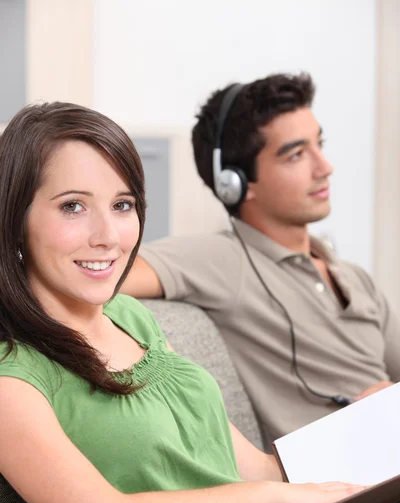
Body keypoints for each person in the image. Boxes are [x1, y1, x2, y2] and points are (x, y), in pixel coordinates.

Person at [1, 103, 399, 503]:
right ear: (14, 218)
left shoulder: (130, 317)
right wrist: (268, 498)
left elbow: (255, 468)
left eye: (122, 205)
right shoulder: (14, 379)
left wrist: (373, 439)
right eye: (72, 206)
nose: (108, 235)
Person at [122, 73, 400, 450]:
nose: (325, 167)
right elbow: (100, 277)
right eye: (297, 154)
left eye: (320, 144)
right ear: (236, 182)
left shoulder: (353, 277)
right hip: (344, 489)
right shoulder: (225, 259)